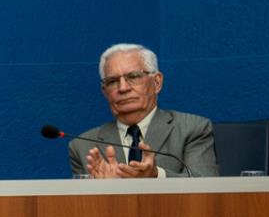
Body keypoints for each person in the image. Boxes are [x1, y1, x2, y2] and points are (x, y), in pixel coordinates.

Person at [69, 43, 218, 178]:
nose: (123, 88)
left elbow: (206, 185)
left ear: (157, 82)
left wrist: (157, 175)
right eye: (112, 81)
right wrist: (105, 190)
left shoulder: (192, 129)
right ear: (104, 91)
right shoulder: (83, 146)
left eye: (133, 76)